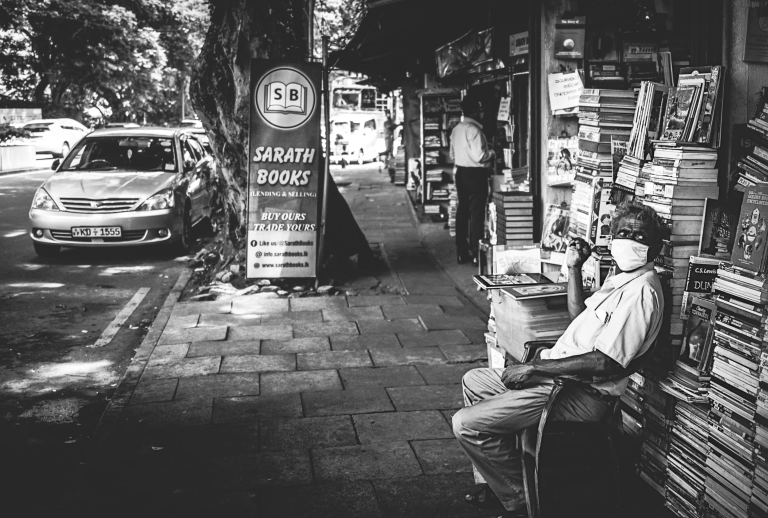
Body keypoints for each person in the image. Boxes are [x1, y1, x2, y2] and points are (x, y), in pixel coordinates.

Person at [453, 201, 665, 517]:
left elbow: (607, 363)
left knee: (466, 425)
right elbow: (578, 315)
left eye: (640, 236)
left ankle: (521, 500)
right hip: (557, 379)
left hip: (577, 393)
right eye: (624, 232)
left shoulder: (641, 292)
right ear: (611, 237)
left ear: (654, 247)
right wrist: (575, 268)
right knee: (473, 380)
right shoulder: (622, 278)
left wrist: (535, 367)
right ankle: (498, 482)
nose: (631, 241)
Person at [450, 96, 495, 265]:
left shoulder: (456, 129)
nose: (482, 112)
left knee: (462, 212)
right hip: (476, 175)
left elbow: (452, 155)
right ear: (475, 110)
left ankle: (461, 252)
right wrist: (492, 153)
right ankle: (477, 254)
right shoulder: (474, 131)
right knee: (477, 214)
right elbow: (480, 156)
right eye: (480, 109)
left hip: (461, 173)